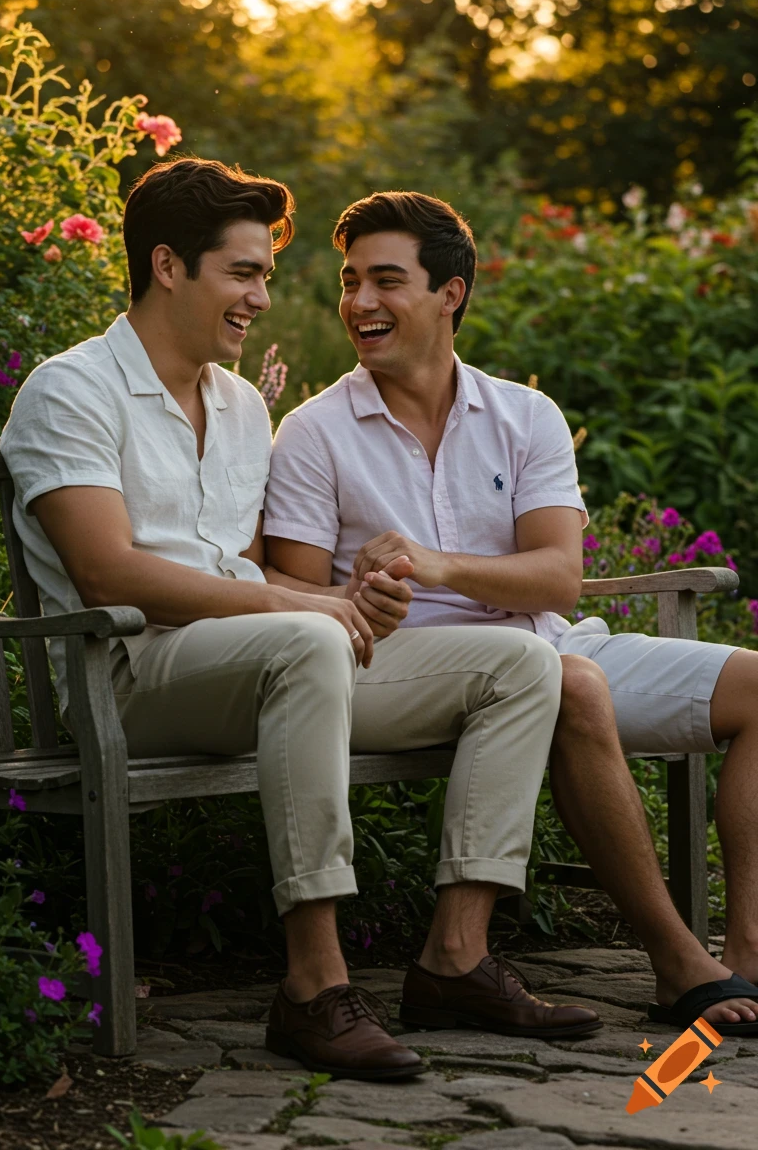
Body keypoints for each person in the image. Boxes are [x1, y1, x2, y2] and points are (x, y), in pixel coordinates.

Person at [0, 158, 592, 1082]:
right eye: (244, 272)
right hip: (125, 677)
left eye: (265, 276)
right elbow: (110, 569)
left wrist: (347, 601)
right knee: (309, 637)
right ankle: (315, 987)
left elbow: (244, 570)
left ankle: (457, 961)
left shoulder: (240, 404)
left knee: (521, 666)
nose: (263, 299)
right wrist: (304, 607)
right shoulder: (72, 390)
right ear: (167, 266)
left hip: (258, 663)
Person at [264, 189, 758, 1035]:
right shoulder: (314, 432)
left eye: (386, 281)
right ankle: (677, 961)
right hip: (416, 671)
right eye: (350, 283)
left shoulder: (524, 415)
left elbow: (559, 579)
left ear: (449, 293)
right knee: (568, 684)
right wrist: (363, 600)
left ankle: (747, 954)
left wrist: (433, 560)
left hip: (551, 638)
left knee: (750, 684)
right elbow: (296, 590)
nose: (359, 304)